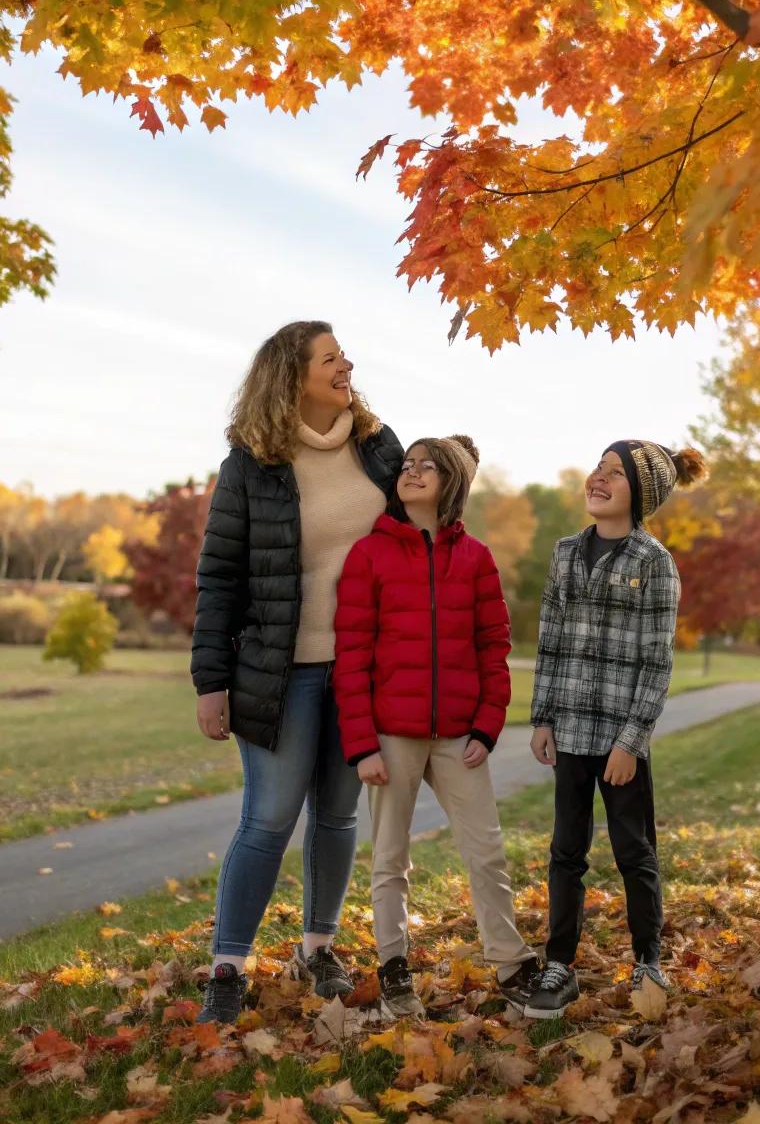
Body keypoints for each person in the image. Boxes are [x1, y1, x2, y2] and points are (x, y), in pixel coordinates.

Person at [190, 320, 402, 1023]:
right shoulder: (251, 464)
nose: (347, 364)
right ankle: (227, 965)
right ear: (292, 375)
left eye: (344, 354)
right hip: (279, 673)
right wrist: (210, 681)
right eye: (330, 357)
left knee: (338, 817)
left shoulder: (377, 446)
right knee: (270, 817)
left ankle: (318, 949)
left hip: (361, 670)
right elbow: (219, 578)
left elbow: (415, 539)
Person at [333, 434, 542, 1019]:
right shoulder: (367, 556)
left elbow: (493, 646)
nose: (413, 472)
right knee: (390, 858)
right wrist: (361, 746)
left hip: (458, 737)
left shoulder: (475, 558)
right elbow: (351, 655)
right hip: (390, 736)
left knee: (487, 850)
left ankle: (510, 963)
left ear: (452, 482)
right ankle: (395, 967)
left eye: (428, 466)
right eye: (407, 465)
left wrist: (486, 725)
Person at [524, 439, 708, 1017]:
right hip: (571, 730)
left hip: (620, 739)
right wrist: (543, 717)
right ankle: (559, 965)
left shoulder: (654, 562)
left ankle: (648, 961)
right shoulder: (563, 554)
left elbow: (657, 662)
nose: (597, 479)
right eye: (597, 469)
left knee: (635, 851)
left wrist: (632, 740)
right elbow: (549, 640)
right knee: (566, 852)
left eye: (614, 474)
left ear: (641, 493)